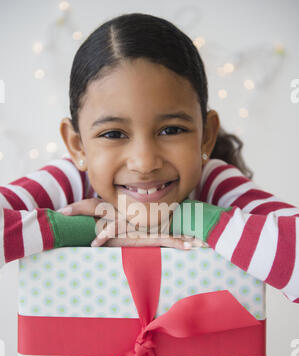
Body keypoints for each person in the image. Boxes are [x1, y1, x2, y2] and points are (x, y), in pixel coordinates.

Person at [0, 12, 298, 304]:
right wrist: (87, 228)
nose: (144, 162)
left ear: (206, 136)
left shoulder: (214, 182)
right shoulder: (69, 181)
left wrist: (185, 217)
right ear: (78, 146)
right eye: (113, 134)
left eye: (170, 130)